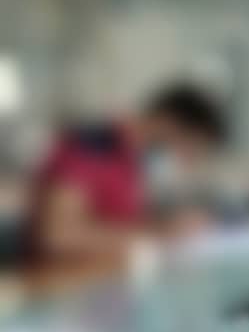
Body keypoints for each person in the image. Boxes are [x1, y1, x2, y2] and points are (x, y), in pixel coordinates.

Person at [25, 82, 226, 271]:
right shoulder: (91, 146)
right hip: (58, 284)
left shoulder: (135, 159)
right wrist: (157, 235)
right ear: (168, 124)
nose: (185, 162)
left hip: (106, 277)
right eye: (189, 151)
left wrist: (169, 227)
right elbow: (58, 236)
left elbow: (117, 223)